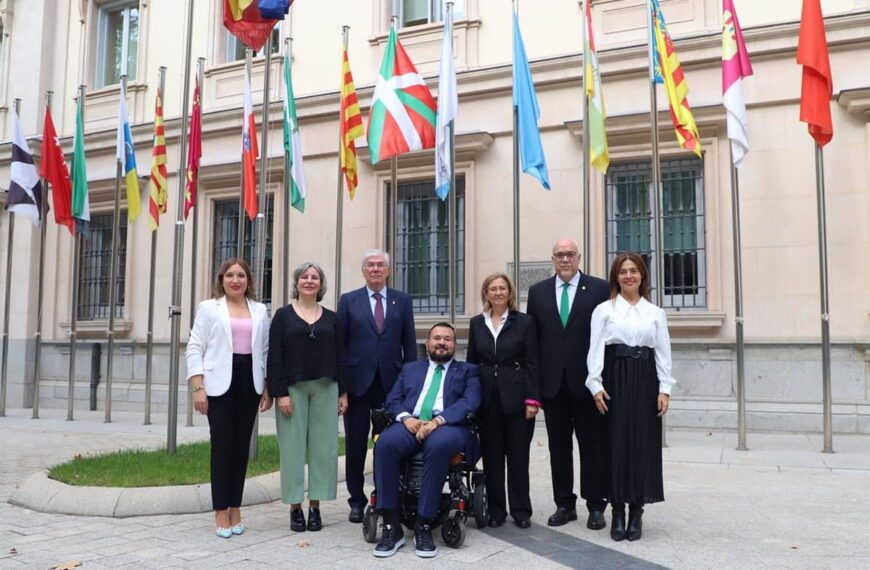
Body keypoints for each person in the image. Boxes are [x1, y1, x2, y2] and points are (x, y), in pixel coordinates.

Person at [371, 323, 481, 559]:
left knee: (438, 445)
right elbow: (393, 399)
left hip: (448, 426)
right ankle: (391, 526)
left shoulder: (468, 371)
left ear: (455, 345)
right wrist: (406, 418)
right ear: (427, 343)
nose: (442, 342)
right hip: (410, 424)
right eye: (437, 338)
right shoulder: (410, 369)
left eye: (447, 339)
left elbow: (469, 403)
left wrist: (437, 421)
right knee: (385, 444)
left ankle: (423, 524)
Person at [586, 252, 674, 542]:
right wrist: (595, 384)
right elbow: (595, 349)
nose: (628, 276)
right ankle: (617, 511)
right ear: (616, 276)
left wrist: (664, 389)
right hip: (614, 379)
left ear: (642, 275)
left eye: (633, 270)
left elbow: (662, 352)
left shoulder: (655, 313)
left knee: (641, 444)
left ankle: (637, 511)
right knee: (615, 444)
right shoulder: (604, 310)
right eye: (623, 271)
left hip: (645, 380)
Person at [525, 237, 610, 529]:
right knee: (559, 448)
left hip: (588, 385)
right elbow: (533, 342)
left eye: (570, 254)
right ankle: (564, 504)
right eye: (560, 254)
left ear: (579, 257)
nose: (565, 259)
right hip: (553, 387)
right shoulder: (537, 293)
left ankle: (596, 505)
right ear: (553, 259)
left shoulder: (599, 289)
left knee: (592, 447)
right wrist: (534, 390)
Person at [186, 258, 272, 539]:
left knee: (241, 449)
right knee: (222, 448)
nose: (236, 280)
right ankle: (221, 511)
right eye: (230, 275)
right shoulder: (209, 308)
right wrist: (198, 387)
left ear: (249, 281)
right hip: (218, 383)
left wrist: (268, 386)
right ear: (221, 280)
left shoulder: (260, 310)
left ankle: (236, 507)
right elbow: (194, 347)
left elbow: (266, 350)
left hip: (250, 382)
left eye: (241, 276)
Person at [267, 261, 349, 533]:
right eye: (305, 276)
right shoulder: (283, 316)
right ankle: (295, 507)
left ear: (321, 284)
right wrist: (280, 393)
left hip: (326, 387)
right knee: (292, 449)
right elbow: (275, 355)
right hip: (293, 389)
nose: (310, 281)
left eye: (315, 277)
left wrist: (343, 392)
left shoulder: (332, 318)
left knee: (323, 449)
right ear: (297, 282)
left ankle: (315, 506)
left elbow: (341, 355)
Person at [337, 249, 417, 524]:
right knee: (355, 445)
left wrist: (411, 387)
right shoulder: (349, 301)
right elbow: (340, 347)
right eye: (370, 265)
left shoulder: (402, 301)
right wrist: (342, 389)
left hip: (392, 386)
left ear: (388, 270)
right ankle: (356, 501)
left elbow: (410, 345)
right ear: (363, 271)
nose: (375, 269)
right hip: (358, 385)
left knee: (389, 443)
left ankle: (387, 495)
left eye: (380, 265)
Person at [466, 273, 540, 529]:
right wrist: (470, 399)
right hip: (487, 400)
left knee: (518, 456)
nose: (498, 292)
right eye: (493, 289)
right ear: (485, 294)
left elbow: (533, 362)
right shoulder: (477, 323)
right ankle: (496, 509)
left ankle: (521, 510)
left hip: (517, 399)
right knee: (492, 457)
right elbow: (471, 363)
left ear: (510, 293)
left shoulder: (525, 322)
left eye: (502, 288)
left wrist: (533, 399)